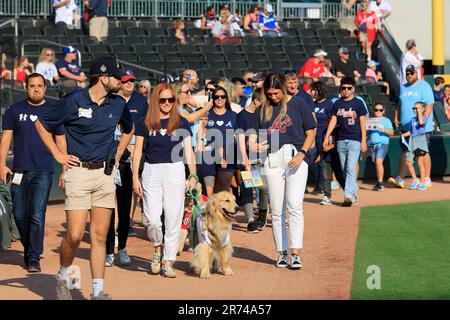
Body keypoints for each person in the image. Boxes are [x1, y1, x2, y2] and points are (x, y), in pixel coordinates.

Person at [35, 57, 134, 300]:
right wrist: (59, 155)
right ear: (103, 78)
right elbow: (42, 124)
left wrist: (119, 152)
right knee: (75, 235)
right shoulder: (73, 101)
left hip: (105, 174)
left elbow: (129, 129)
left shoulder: (118, 104)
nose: (121, 80)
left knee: (99, 236)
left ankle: (98, 292)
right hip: (78, 173)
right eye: (116, 76)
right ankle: (62, 275)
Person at [248, 74, 316, 269]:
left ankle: (296, 253)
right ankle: (281, 252)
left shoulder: (299, 104)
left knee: (294, 205)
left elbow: (310, 132)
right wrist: (253, 145)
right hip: (272, 159)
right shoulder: (262, 110)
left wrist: (302, 153)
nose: (273, 96)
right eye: (269, 93)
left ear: (283, 89)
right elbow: (254, 135)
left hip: (295, 156)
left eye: (276, 93)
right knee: (277, 210)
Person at [0, 73, 65, 272]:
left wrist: (64, 169)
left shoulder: (53, 111)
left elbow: (61, 139)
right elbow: (6, 138)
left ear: (45, 88)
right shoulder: (14, 110)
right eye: (32, 86)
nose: (36, 89)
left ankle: (33, 257)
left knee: (37, 214)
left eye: (39, 86)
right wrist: (2, 164)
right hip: (19, 170)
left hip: (44, 171)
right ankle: (30, 249)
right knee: (19, 215)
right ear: (25, 87)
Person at [132, 83, 197, 278]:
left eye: (171, 99)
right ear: (155, 101)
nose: (167, 103)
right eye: (163, 100)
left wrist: (192, 175)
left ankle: (168, 261)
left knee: (173, 218)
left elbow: (189, 153)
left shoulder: (181, 122)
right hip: (151, 171)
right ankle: (157, 248)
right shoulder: (146, 122)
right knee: (152, 220)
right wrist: (135, 177)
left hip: (175, 171)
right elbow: (137, 152)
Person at [105, 69, 148, 267]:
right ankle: (107, 251)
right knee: (106, 209)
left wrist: (127, 149)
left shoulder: (139, 101)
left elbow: (134, 131)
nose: (130, 83)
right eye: (126, 80)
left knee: (123, 208)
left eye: (132, 80)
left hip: (124, 161)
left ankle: (121, 248)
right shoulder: (108, 102)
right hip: (105, 161)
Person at [323, 76, 368, 207]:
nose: (346, 90)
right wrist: (327, 136)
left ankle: (347, 195)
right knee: (343, 169)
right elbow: (333, 120)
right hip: (341, 139)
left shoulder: (358, 103)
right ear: (340, 89)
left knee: (350, 167)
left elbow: (362, 121)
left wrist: (364, 140)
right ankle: (353, 194)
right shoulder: (337, 103)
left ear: (353, 89)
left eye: (349, 88)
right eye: (344, 88)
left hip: (355, 139)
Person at [390, 65, 434, 190]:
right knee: (405, 151)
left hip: (421, 127)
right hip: (406, 126)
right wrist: (396, 117)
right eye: (407, 73)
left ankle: (426, 178)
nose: (409, 75)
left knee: (423, 152)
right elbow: (399, 104)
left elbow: (429, 104)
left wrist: (423, 121)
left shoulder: (424, 86)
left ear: (416, 73)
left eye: (411, 73)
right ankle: (401, 178)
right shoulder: (403, 87)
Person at [236, 88, 269, 233]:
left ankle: (262, 214)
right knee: (249, 188)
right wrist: (245, 159)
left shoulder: (263, 115)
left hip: (263, 157)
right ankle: (250, 220)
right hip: (248, 158)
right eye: (262, 102)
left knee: (264, 188)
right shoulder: (242, 116)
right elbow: (241, 138)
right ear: (256, 101)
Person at [310, 81, 345, 205]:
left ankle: (349, 193)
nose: (311, 92)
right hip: (314, 138)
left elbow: (335, 122)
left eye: (313, 89)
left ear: (319, 90)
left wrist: (330, 139)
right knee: (321, 166)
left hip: (328, 138)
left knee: (337, 170)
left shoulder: (330, 104)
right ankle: (326, 195)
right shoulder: (311, 104)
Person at [401, 102, 429, 191]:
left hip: (420, 140)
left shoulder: (424, 118)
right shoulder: (412, 119)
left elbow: (421, 122)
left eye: (417, 108)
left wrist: (420, 113)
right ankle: (415, 179)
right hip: (412, 141)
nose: (415, 110)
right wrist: (403, 135)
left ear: (423, 109)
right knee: (408, 161)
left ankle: (423, 182)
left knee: (420, 163)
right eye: (414, 108)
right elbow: (411, 132)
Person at [366, 102, 394, 191]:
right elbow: (368, 134)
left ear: (383, 111)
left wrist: (384, 130)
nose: (378, 111)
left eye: (380, 110)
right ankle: (379, 182)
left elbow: (392, 133)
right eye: (376, 110)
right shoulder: (371, 120)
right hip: (372, 145)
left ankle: (380, 183)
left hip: (383, 144)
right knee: (376, 163)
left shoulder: (386, 120)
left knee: (378, 162)